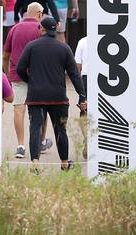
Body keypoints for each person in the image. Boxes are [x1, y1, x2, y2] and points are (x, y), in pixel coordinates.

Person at [16, 17, 86, 170]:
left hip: (36, 96)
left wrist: (30, 81)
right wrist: (82, 94)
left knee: (35, 127)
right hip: (58, 97)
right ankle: (64, 163)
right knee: (60, 129)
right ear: (54, 30)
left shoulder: (31, 47)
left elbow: (20, 68)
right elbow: (74, 73)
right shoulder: (64, 48)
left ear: (42, 29)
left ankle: (35, 163)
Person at [4, 2, 50, 159]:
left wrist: (8, 73)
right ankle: (41, 141)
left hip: (17, 74)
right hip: (38, 76)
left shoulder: (14, 29)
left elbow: (6, 55)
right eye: (42, 13)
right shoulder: (40, 29)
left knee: (19, 108)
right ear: (38, 14)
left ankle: (21, 145)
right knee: (42, 108)